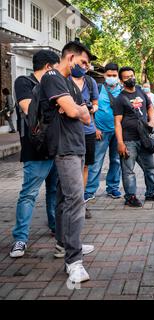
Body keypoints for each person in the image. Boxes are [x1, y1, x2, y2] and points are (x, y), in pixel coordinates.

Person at [40, 41, 96, 283]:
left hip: (77, 146)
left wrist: (77, 109)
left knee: (65, 200)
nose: (86, 67)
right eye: (83, 62)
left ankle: (65, 245)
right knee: (76, 201)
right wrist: (76, 110)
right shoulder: (52, 75)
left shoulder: (71, 85)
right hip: (65, 149)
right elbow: (76, 113)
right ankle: (73, 261)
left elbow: (85, 115)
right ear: (70, 57)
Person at [9, 50, 60, 258]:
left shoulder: (54, 86)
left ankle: (57, 228)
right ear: (49, 67)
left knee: (55, 192)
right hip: (36, 148)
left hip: (56, 146)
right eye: (56, 69)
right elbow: (29, 108)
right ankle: (20, 239)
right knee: (29, 194)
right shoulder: (24, 82)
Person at [113, 66, 154, 207]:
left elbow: (149, 106)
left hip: (144, 138)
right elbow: (117, 122)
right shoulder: (120, 98)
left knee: (150, 168)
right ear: (121, 80)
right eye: (126, 77)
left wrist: (151, 120)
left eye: (132, 75)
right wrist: (120, 142)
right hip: (128, 139)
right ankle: (130, 197)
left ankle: (151, 193)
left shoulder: (140, 91)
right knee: (128, 171)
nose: (131, 78)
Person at [85, 63, 122, 201]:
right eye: (109, 75)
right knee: (96, 162)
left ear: (118, 76)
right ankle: (89, 190)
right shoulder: (98, 88)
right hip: (101, 131)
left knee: (116, 161)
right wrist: (94, 128)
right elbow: (89, 109)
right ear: (104, 75)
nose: (111, 78)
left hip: (118, 132)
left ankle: (113, 188)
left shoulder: (122, 89)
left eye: (114, 75)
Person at [69, 61, 99, 219]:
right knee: (70, 167)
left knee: (85, 166)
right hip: (69, 131)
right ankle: (69, 204)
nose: (85, 66)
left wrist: (91, 108)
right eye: (83, 62)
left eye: (87, 63)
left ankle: (81, 202)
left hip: (88, 131)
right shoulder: (64, 79)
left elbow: (96, 104)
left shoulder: (90, 81)